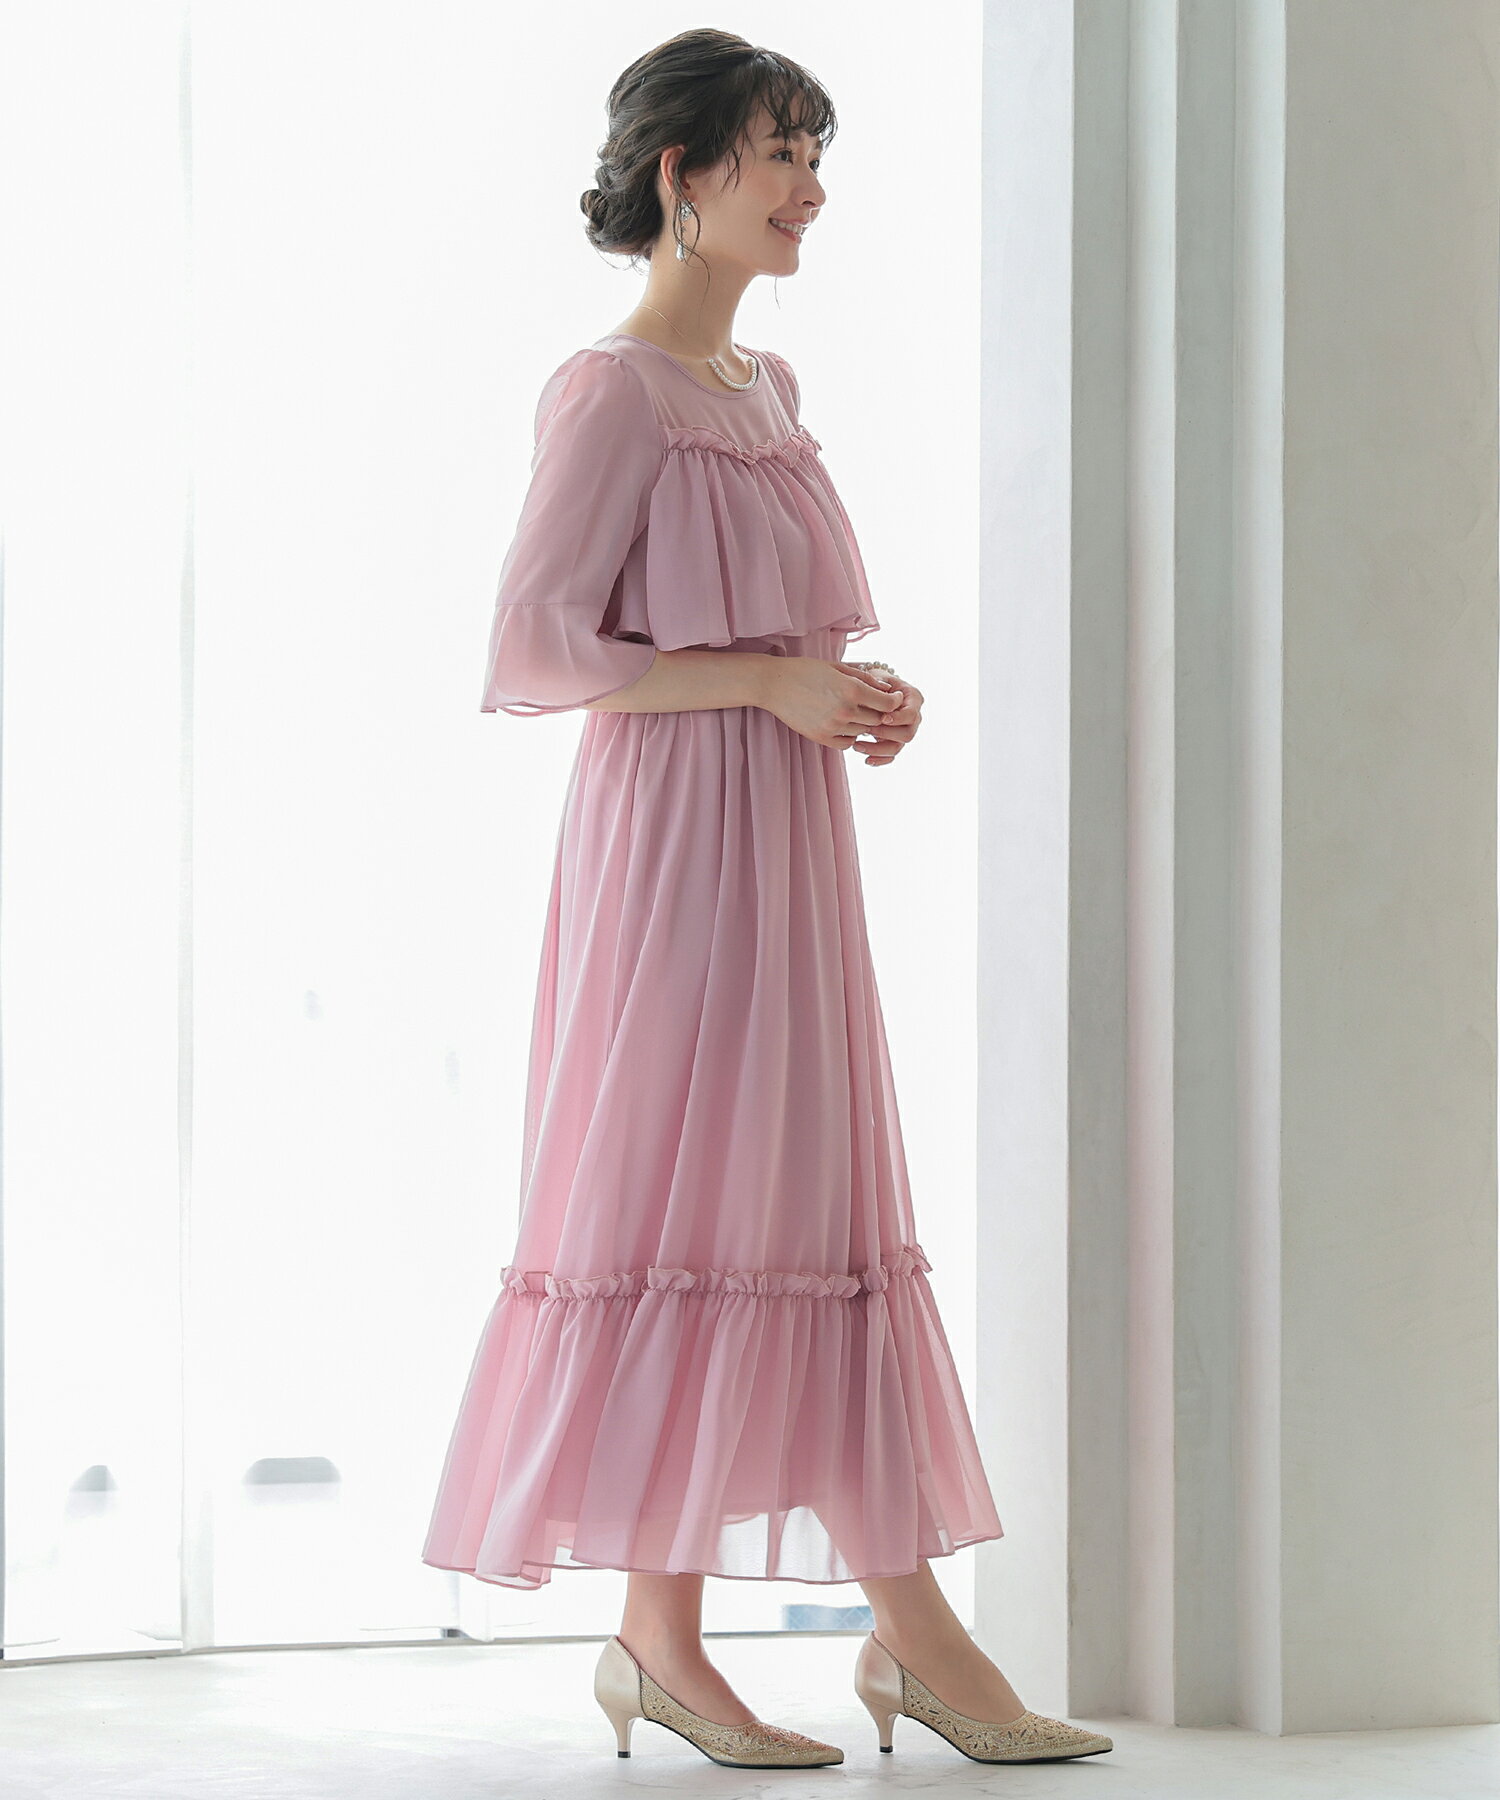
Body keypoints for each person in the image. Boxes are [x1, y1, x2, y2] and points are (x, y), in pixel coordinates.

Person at [422, 27, 1113, 1771]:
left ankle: (704, 1642)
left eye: (816, 154)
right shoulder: (610, 391)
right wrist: (764, 685)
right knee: (696, 1198)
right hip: (671, 855)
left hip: (789, 843)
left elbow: (774, 638)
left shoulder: (769, 393)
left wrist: (848, 696)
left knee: (791, 1208)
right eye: (781, 152)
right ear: (684, 174)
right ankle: (880, 1640)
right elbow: (533, 650)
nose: (812, 189)